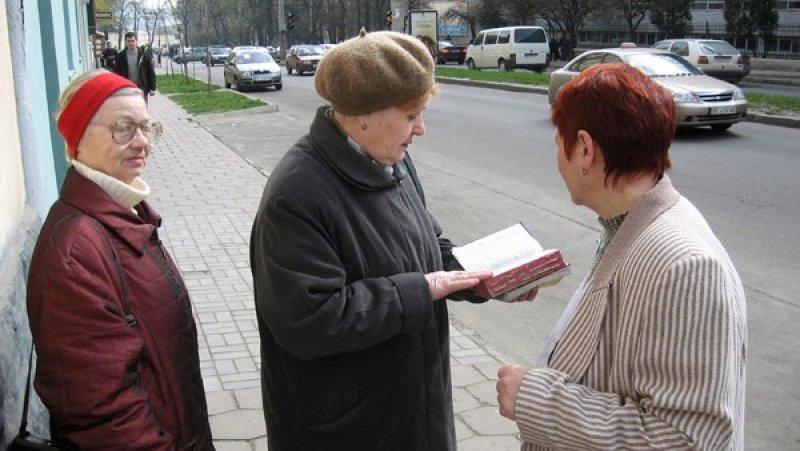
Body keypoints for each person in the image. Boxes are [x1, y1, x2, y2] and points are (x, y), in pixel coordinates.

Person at [250, 30, 501, 450]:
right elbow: (310, 320)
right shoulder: (295, 195)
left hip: (412, 411)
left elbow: (425, 246)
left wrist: (481, 276)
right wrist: (418, 291)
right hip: (349, 429)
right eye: (410, 115)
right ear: (362, 115)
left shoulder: (392, 160)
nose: (421, 128)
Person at [496, 64, 747, 449]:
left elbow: (684, 438)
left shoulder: (686, 265)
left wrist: (534, 398)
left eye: (557, 140)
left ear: (584, 149)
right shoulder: (628, 224)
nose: (555, 154)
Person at [26, 70, 213, 450]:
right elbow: (102, 414)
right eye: (124, 128)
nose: (142, 142)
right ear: (79, 137)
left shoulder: (124, 212)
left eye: (147, 127)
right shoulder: (77, 250)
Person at [113, 32, 156, 102]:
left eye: (133, 41)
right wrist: (116, 88)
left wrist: (152, 88)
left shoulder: (144, 55)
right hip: (126, 89)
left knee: (142, 110)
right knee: (129, 110)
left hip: (141, 88)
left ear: (136, 41)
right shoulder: (120, 56)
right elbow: (116, 73)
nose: (131, 43)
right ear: (126, 42)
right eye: (128, 41)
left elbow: (151, 72)